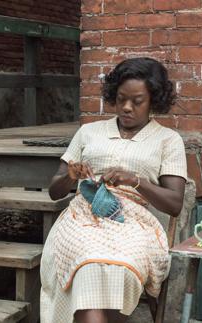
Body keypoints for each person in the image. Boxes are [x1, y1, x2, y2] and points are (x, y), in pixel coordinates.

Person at [40, 57, 187, 323]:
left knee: (114, 266)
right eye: (121, 99)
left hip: (132, 224)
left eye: (137, 101)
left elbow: (175, 203)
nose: (127, 107)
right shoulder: (89, 132)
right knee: (89, 261)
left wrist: (136, 181)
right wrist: (70, 176)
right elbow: (54, 190)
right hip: (82, 218)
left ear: (154, 99)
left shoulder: (168, 140)